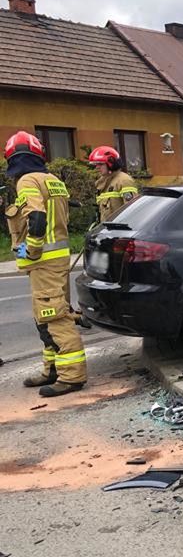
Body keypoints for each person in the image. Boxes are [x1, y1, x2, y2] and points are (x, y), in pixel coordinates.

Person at [3, 131, 87, 397]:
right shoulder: (52, 179)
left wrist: (33, 251)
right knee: (45, 317)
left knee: (55, 318)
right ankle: (51, 369)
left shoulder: (27, 180)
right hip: (57, 259)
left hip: (44, 262)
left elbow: (36, 218)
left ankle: (72, 377)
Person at [89, 146, 138, 222]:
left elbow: (131, 210)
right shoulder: (102, 183)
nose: (97, 167)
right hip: (107, 230)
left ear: (111, 163)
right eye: (96, 164)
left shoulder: (124, 181)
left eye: (100, 164)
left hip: (120, 230)